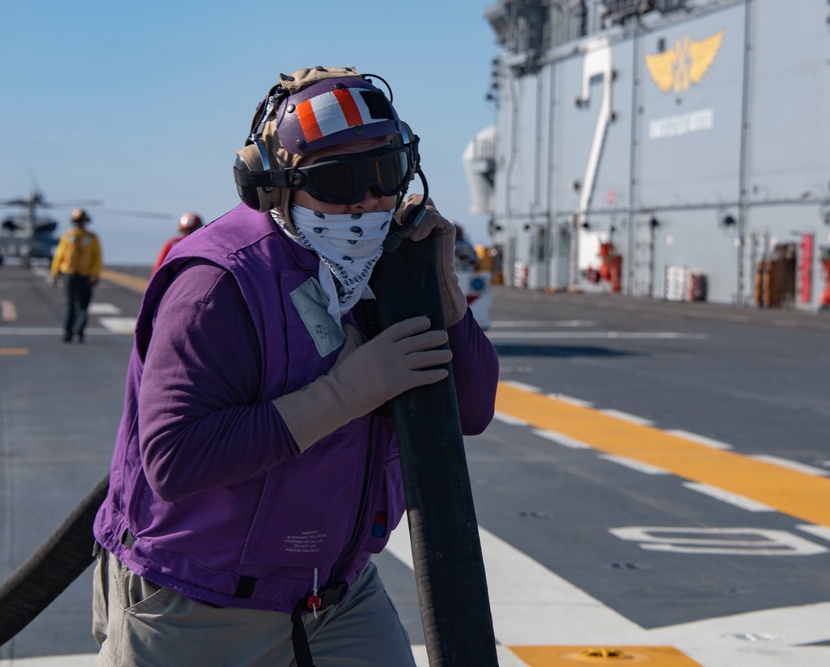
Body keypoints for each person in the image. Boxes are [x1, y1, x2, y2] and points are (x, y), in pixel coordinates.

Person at [91, 66, 499, 667]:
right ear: (273, 186)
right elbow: (175, 460)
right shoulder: (218, 285)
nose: (369, 202)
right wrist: (347, 393)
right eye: (339, 182)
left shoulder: (380, 268)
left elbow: (470, 409)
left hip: (333, 593)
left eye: (384, 175)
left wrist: (443, 293)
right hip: (198, 596)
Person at [50, 207, 102, 343]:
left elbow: (97, 257)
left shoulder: (92, 238)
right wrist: (55, 272)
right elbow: (60, 255)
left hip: (86, 275)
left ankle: (80, 331)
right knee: (71, 305)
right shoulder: (67, 237)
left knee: (84, 306)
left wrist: (95, 274)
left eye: (82, 221)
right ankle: (68, 331)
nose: (81, 223)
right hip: (70, 274)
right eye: (78, 221)